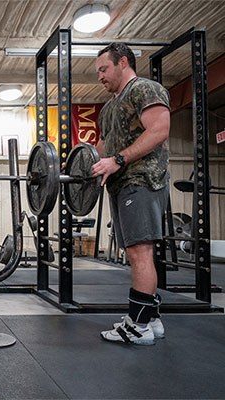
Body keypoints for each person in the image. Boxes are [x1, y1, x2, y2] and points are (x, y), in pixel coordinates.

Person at [92, 43, 171, 345]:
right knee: (136, 253)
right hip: (120, 183)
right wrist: (82, 164)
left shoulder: (145, 89)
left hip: (142, 179)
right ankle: (150, 319)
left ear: (122, 62)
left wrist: (119, 160)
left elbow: (159, 129)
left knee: (141, 253)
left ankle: (136, 327)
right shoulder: (111, 106)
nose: (100, 76)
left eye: (103, 69)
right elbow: (102, 146)